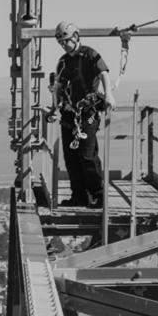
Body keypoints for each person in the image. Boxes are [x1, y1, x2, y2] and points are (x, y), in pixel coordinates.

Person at [50, 21, 116, 208]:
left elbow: (103, 72)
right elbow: (59, 87)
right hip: (69, 114)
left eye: (66, 41)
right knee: (71, 158)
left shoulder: (89, 55)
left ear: (76, 37)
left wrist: (109, 94)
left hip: (88, 112)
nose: (63, 45)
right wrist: (54, 108)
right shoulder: (63, 61)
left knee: (87, 156)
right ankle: (79, 196)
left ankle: (98, 195)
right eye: (61, 42)